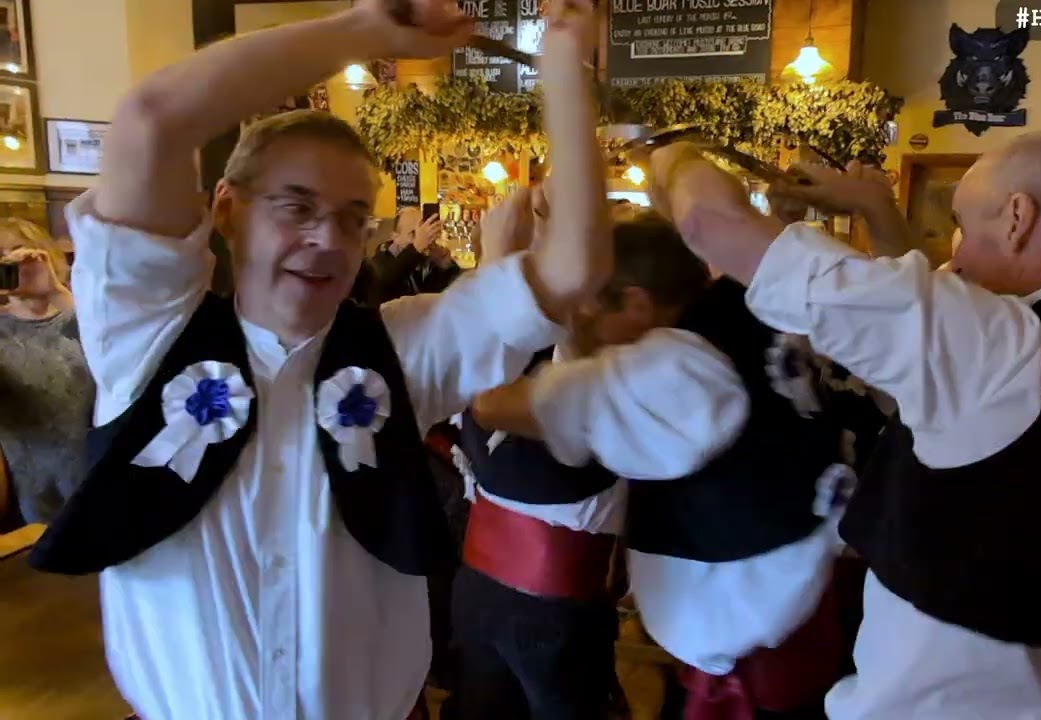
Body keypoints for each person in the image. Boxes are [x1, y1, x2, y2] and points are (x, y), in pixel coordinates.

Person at [27, 3, 610, 720]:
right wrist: (366, 29)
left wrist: (563, 63)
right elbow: (152, 120)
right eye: (295, 208)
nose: (327, 239)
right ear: (227, 208)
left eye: (352, 218)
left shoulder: (402, 352)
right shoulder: (145, 329)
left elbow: (575, 268)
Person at [644, 130, 1041, 719]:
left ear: (1018, 218)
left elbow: (709, 224)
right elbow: (930, 314)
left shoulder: (1001, 346)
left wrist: (671, 153)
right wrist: (873, 207)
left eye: (964, 228)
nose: (959, 256)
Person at [472, 205, 867, 719]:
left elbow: (494, 406)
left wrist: (495, 264)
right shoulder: (746, 306)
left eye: (589, 308)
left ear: (636, 302)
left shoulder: (677, 370)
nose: (580, 321)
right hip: (789, 628)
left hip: (749, 671)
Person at [448, 187, 635, 720]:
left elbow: (508, 399)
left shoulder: (616, 351)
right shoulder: (521, 332)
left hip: (559, 600)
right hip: (482, 588)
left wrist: (500, 262)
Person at [0, 218, 90, 527]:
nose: (13, 263)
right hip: (33, 489)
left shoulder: (82, 313)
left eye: (22, 253)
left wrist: (54, 290)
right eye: (2, 257)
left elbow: (111, 351)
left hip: (99, 474)